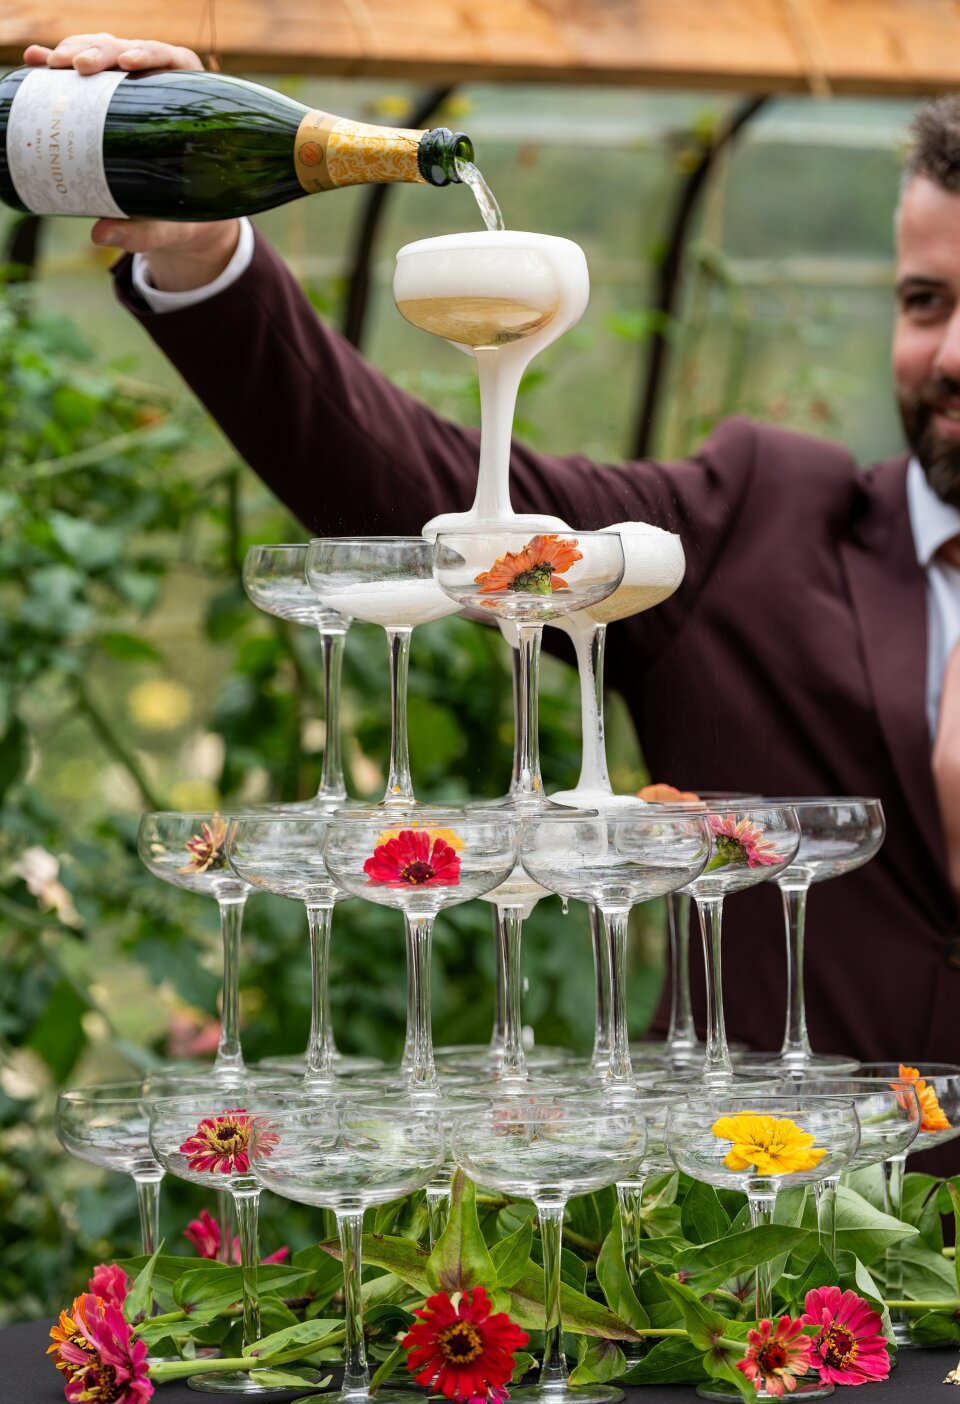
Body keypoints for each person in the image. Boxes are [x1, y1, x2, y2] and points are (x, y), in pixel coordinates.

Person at [19, 36, 960, 1077]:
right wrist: (205, 254)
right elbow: (429, 492)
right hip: (746, 1215)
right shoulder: (767, 517)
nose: (951, 353)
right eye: (926, 303)